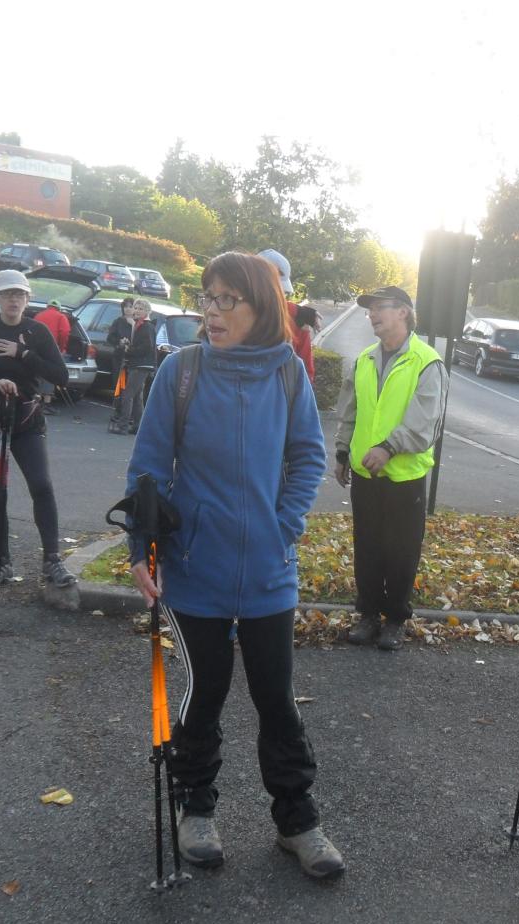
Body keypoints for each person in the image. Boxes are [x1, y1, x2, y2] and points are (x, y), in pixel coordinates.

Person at [125, 251, 343, 880]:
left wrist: (284, 527)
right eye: (208, 298)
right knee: (206, 693)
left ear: (262, 308)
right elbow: (148, 467)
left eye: (229, 301)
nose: (213, 313)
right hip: (196, 571)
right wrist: (143, 547)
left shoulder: (289, 376)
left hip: (271, 573)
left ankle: (297, 822)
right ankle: (195, 808)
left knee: (276, 698)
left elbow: (306, 459)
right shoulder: (181, 371)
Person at [334, 286, 448, 651]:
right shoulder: (364, 359)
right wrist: (341, 452)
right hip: (365, 476)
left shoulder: (426, 362)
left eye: (380, 308)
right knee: (366, 546)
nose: (372, 315)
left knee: (401, 551)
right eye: (369, 310)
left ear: (403, 312)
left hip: (404, 476)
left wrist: (388, 448)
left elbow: (425, 421)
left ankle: (395, 618)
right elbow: (350, 411)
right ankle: (368, 614)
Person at [0, 270, 78, 589]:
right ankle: (0, 561)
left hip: (25, 420)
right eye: (7, 294)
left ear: (28, 298)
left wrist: (22, 353)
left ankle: (52, 560)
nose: (13, 300)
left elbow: (60, 376)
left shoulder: (37, 331)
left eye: (19, 294)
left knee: (41, 485)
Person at [257, 248, 315, 381]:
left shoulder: (298, 319)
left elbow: (307, 372)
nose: (278, 297)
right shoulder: (233, 314)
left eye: (282, 292)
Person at [112, 298, 156, 435]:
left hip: (141, 365)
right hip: (139, 364)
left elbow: (147, 347)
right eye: (136, 308)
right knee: (137, 397)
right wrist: (128, 344)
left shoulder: (146, 327)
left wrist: (129, 350)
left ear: (147, 312)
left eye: (140, 309)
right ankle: (138, 427)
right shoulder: (139, 325)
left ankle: (123, 425)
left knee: (127, 394)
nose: (136, 310)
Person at [34, 299, 71, 416]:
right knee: (50, 374)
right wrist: (61, 348)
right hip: (51, 349)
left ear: (47, 306)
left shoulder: (38, 315)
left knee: (37, 373)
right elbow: (65, 332)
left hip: (36, 349)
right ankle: (46, 404)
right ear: (59, 308)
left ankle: (35, 402)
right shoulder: (61, 317)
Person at [106, 297, 135, 433]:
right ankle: (118, 413)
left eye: (130, 306)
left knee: (131, 389)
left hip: (133, 359)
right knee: (119, 385)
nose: (128, 309)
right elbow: (110, 338)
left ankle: (129, 415)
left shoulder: (137, 323)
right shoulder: (118, 322)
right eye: (126, 306)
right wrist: (119, 342)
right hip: (119, 357)